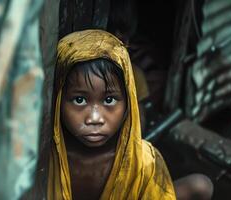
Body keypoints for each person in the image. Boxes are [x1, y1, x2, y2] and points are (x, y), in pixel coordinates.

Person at [46, 29, 176, 199]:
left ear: (129, 102)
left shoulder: (145, 164)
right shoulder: (42, 158)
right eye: (79, 100)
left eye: (109, 100)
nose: (94, 118)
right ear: (58, 100)